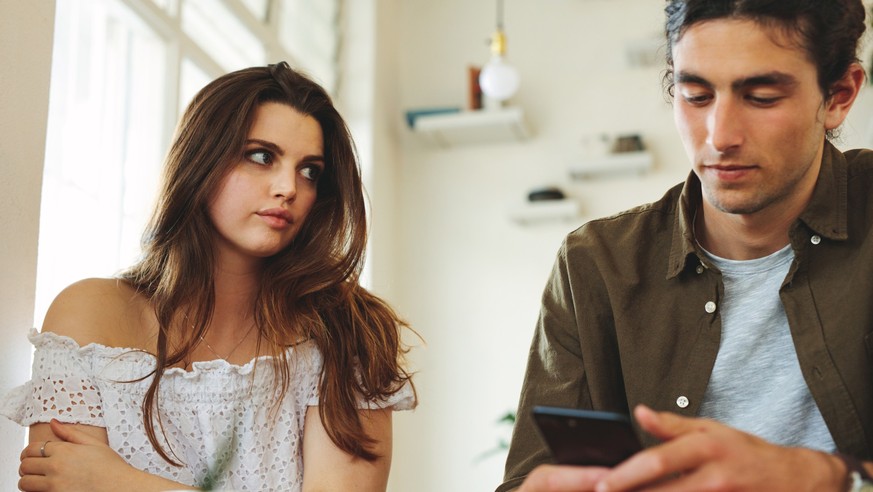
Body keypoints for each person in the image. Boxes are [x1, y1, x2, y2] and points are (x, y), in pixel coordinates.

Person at [499, 1, 873, 491]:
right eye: (695, 95)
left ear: (839, 95)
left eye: (761, 97)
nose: (719, 136)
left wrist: (828, 478)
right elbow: (530, 478)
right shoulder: (596, 264)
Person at [3, 61, 416, 491]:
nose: (289, 187)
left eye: (309, 170)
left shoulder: (348, 334)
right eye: (262, 156)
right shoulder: (87, 316)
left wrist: (117, 481)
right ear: (202, 158)